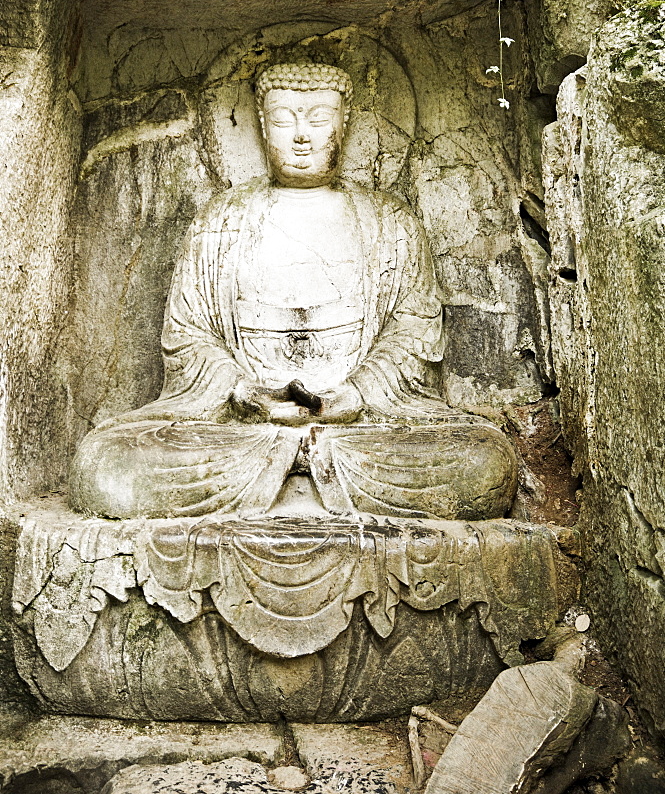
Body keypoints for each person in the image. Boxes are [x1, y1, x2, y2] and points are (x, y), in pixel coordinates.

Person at [69, 63, 517, 520]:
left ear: (344, 123)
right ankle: (298, 489)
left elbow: (414, 333)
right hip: (245, 435)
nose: (301, 136)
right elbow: (188, 336)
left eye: (318, 119)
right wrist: (246, 394)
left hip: (355, 436)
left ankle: (294, 487)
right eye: (284, 120)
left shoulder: (390, 223)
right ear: (263, 127)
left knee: (483, 460)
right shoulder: (220, 221)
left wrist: (356, 396)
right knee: (107, 463)